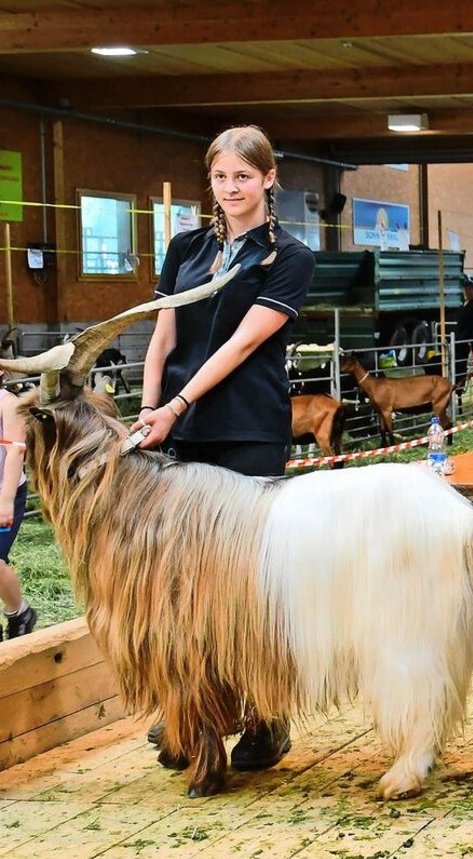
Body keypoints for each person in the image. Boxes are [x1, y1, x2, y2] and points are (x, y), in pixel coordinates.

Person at [133, 125, 315, 771]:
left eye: (244, 176)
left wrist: (179, 404)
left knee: (246, 581)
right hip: (179, 434)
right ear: (209, 182)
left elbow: (239, 345)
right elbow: (162, 335)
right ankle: (196, 712)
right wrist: (151, 408)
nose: (231, 188)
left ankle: (268, 714)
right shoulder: (185, 246)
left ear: (269, 178)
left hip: (247, 430)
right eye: (220, 177)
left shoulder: (289, 256)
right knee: (184, 583)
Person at [0, 374, 35, 641]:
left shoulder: (8, 403)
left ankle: (19, 612)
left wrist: (6, 500)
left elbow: (16, 452)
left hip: (6, 491)